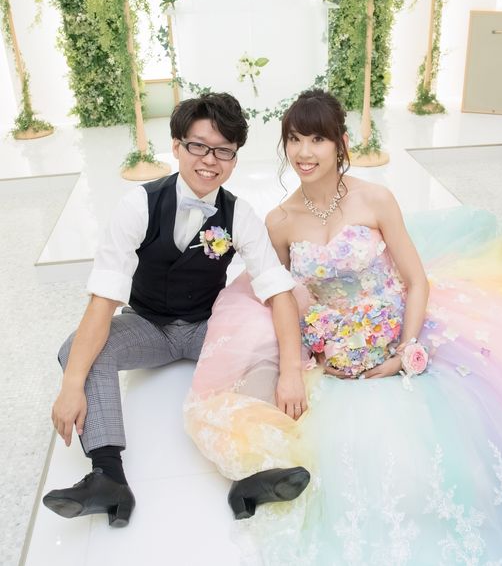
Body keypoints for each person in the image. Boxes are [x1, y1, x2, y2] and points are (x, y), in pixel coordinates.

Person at [185, 90, 502, 563]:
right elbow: (280, 293)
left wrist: (406, 351)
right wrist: (300, 357)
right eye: (294, 139)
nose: (304, 152)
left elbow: (416, 281)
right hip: (332, 344)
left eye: (317, 139)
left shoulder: (375, 200)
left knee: (443, 451)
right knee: (315, 436)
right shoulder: (281, 220)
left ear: (341, 143)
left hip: (395, 326)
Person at [42, 92, 310, 528]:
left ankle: (251, 474)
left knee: (272, 341)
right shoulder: (138, 204)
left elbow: (278, 292)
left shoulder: (239, 214)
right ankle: (108, 477)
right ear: (176, 145)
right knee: (77, 351)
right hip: (148, 325)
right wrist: (71, 384)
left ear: (235, 158)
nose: (210, 160)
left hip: (207, 326)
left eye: (223, 151)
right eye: (198, 146)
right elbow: (104, 299)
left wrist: (292, 371)